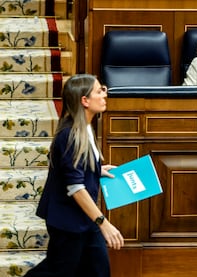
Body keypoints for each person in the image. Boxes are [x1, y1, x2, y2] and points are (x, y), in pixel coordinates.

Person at [24, 74, 124, 277]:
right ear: (84, 101)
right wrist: (103, 223)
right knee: (57, 271)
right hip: (68, 222)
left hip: (85, 219)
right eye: (99, 91)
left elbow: (76, 168)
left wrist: (96, 170)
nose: (105, 94)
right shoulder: (70, 135)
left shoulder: (86, 127)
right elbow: (76, 188)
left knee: (99, 270)